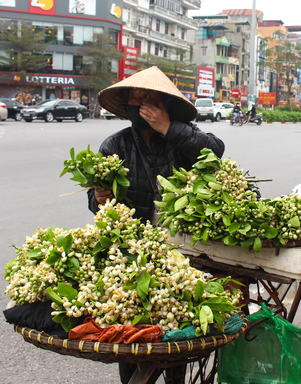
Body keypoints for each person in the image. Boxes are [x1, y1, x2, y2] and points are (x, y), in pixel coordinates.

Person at [87, 66, 225, 384]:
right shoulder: (114, 146)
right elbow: (97, 207)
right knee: (133, 335)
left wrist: (168, 128)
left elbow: (216, 153)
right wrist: (101, 198)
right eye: (136, 97)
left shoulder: (182, 136)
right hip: (132, 254)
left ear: (163, 104)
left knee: (172, 335)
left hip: (179, 250)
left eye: (149, 97)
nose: (141, 103)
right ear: (126, 104)